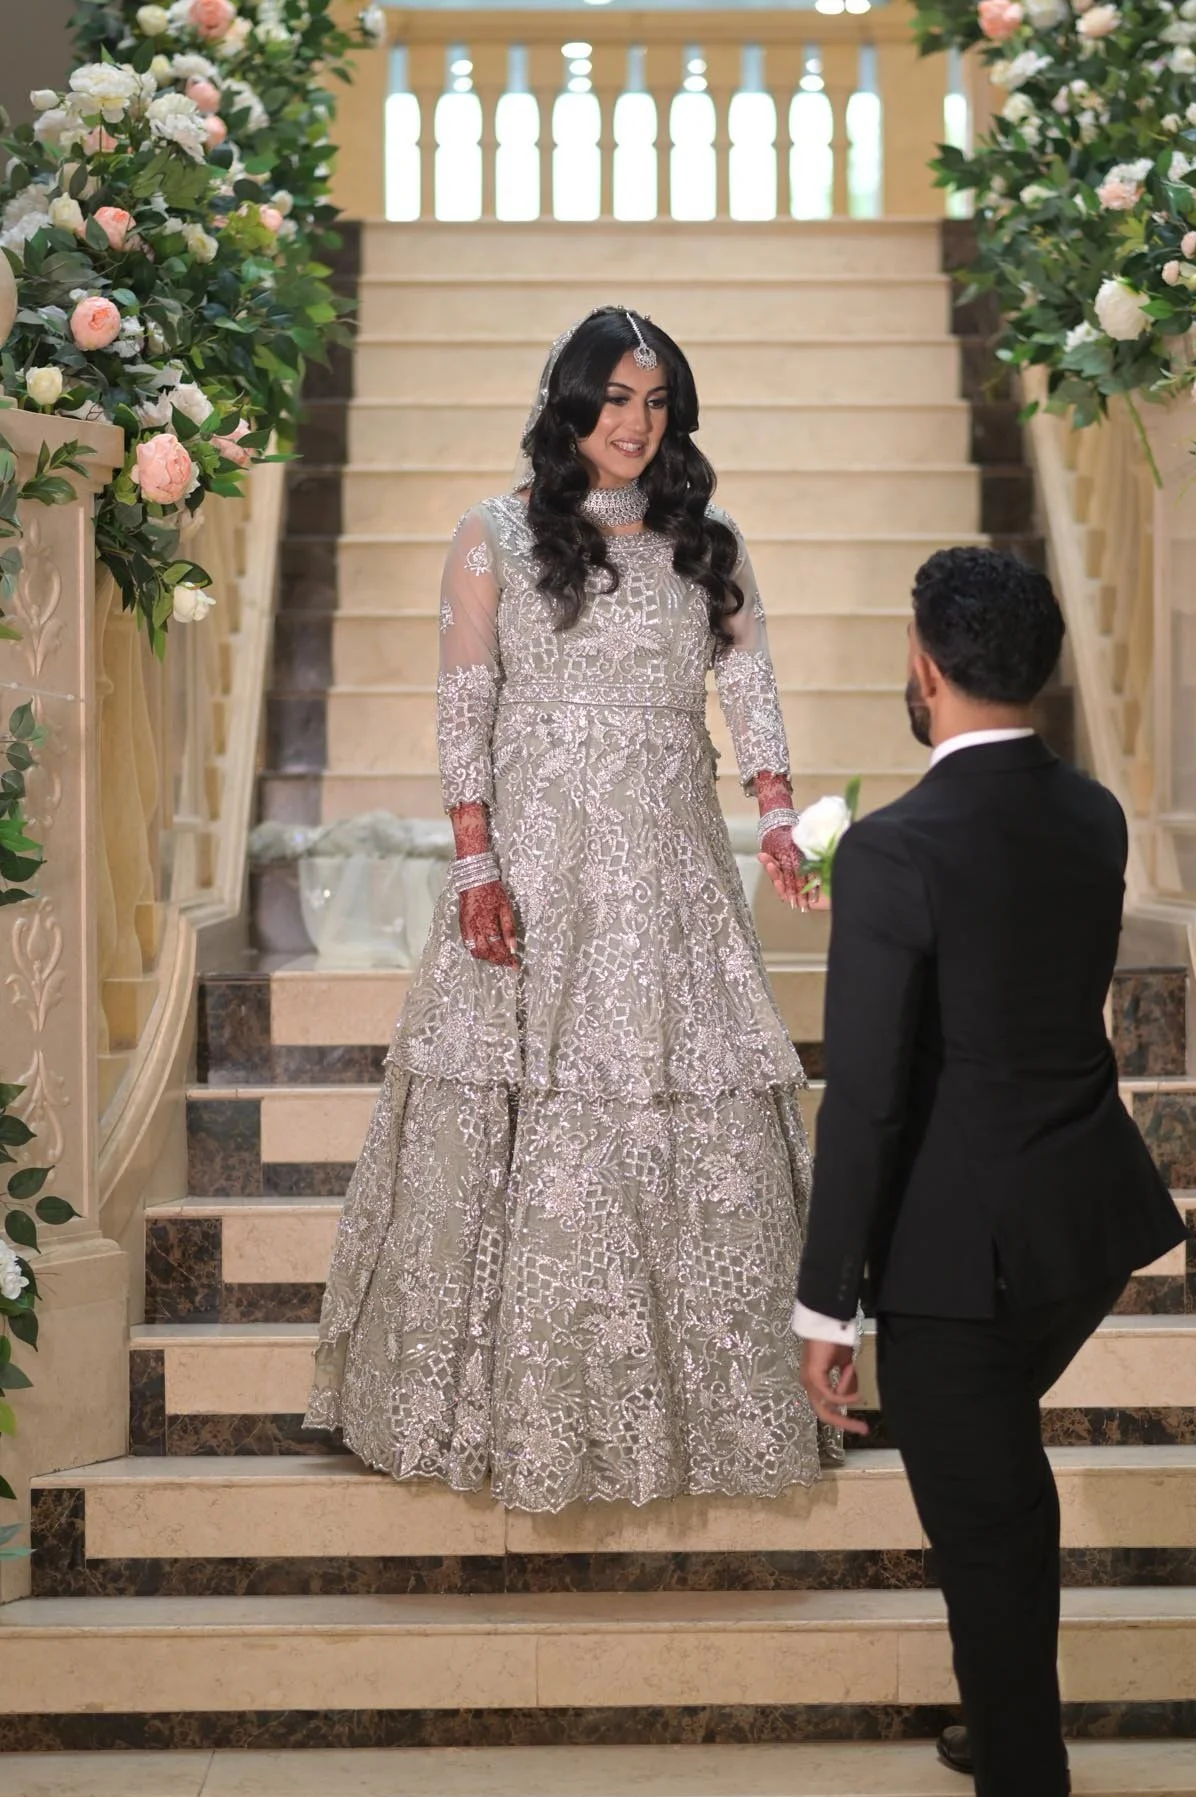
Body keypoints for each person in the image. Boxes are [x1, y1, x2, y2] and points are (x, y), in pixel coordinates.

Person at [305, 306, 832, 1515]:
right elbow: (462, 705)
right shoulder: (493, 535)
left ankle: (707, 1404)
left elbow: (748, 684)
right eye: (613, 401)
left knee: (683, 1091)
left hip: (667, 863)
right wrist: (477, 864)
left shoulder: (709, 542)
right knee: (518, 1092)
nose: (634, 425)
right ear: (570, 407)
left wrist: (777, 810)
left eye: (655, 404)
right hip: (537, 863)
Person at [782, 547, 1185, 1797]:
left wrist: (825, 1306)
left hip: (963, 1263)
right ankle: (993, 1713)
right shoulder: (1091, 815)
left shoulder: (896, 849)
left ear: (926, 665)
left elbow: (872, 1094)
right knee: (999, 1502)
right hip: (1081, 1228)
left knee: (991, 1550)